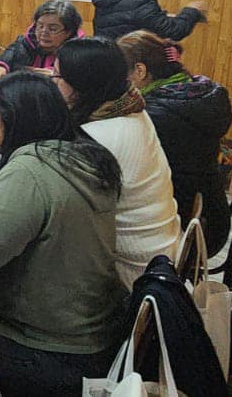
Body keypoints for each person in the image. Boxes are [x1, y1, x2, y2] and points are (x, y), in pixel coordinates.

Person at [0, 72, 129, 393]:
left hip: (43, 350)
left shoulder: (28, 170)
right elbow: (48, 204)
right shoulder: (83, 153)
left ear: (15, 118)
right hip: (92, 335)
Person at [55, 38, 181, 284]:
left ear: (81, 85)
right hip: (161, 250)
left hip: (132, 274)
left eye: (57, 77)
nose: (52, 84)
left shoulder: (96, 138)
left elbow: (46, 204)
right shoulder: (131, 108)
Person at [116, 31, 232, 255]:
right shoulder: (196, 93)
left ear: (140, 71)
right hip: (210, 209)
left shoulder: (157, 115)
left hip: (189, 227)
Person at [0, 0, 84, 80]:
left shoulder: (79, 53)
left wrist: (59, 78)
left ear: (69, 32)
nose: (44, 32)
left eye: (53, 29)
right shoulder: (25, 42)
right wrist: (0, 67)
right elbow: (8, 57)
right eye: (40, 26)